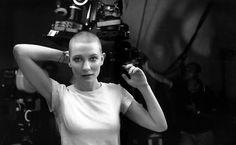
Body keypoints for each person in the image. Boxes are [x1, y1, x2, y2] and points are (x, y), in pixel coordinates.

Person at [13, 31, 167, 145]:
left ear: (102, 59)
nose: (86, 67)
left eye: (93, 58)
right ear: (70, 61)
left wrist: (144, 87)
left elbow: (159, 125)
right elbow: (20, 52)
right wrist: (64, 56)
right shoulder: (59, 95)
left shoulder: (116, 92)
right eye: (78, 59)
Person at [143, 61, 217, 145]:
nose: (186, 71)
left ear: (197, 74)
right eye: (186, 69)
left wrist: (198, 110)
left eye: (190, 70)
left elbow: (214, 110)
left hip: (204, 132)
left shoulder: (206, 91)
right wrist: (147, 69)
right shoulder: (180, 86)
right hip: (187, 132)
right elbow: (163, 79)